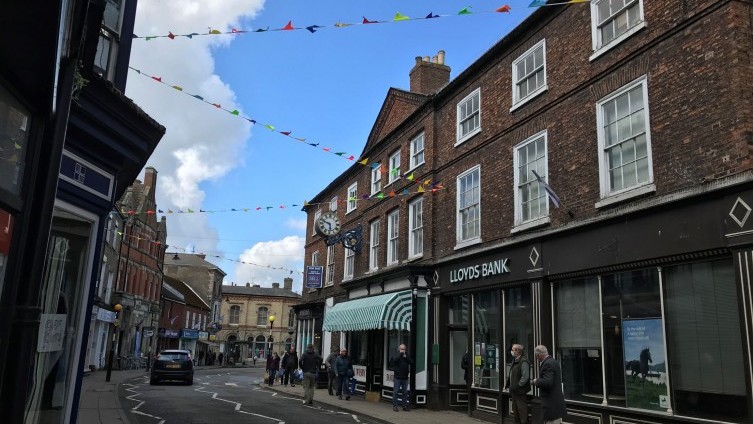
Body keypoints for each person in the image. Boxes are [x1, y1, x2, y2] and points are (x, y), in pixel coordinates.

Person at [531, 345, 567, 424]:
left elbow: (547, 382)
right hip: (555, 403)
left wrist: (536, 381)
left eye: (536, 356)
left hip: (551, 403)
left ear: (539, 355)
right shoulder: (553, 361)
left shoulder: (548, 364)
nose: (536, 358)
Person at [507, 344, 531, 424]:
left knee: (522, 410)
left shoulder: (523, 361)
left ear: (518, 351)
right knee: (515, 410)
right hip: (514, 390)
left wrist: (518, 385)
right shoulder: (515, 360)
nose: (511, 351)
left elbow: (525, 376)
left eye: (513, 350)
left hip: (520, 391)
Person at [389, 344, 414, 412]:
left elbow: (411, 362)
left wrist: (406, 357)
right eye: (402, 349)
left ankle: (404, 406)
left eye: (404, 349)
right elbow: (394, 360)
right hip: (397, 377)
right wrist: (400, 355)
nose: (403, 350)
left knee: (405, 392)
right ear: (399, 349)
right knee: (396, 392)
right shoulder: (396, 354)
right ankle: (395, 406)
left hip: (405, 377)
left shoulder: (406, 355)